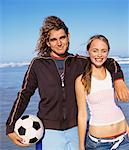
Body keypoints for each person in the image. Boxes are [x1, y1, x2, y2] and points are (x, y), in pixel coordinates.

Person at [6, 16, 129, 150]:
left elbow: (108, 61)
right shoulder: (37, 64)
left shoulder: (79, 62)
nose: (59, 43)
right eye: (53, 39)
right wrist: (10, 126)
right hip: (49, 131)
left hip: (76, 129)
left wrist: (118, 80)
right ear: (48, 42)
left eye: (62, 37)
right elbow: (24, 94)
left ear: (68, 36)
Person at [75, 34, 129, 150]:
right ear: (88, 51)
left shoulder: (113, 74)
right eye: (95, 50)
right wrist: (81, 146)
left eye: (103, 51)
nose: (99, 55)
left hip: (124, 139)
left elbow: (116, 106)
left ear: (108, 52)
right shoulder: (81, 80)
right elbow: (82, 115)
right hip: (99, 144)